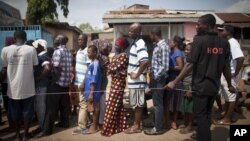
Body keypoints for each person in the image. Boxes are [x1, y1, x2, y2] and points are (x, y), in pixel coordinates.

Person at [165, 14, 235, 141]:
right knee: (207, 115)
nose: (197, 27)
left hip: (201, 87)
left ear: (207, 25)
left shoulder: (199, 41)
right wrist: (230, 84)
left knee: (202, 117)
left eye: (199, 24)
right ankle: (203, 135)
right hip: (214, 87)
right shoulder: (224, 43)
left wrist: (174, 82)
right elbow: (226, 67)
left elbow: (190, 64)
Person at [1, 30, 38, 141]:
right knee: (27, 113)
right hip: (28, 88)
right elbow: (35, 65)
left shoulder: (5, 50)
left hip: (13, 89)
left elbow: (4, 68)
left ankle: (17, 136)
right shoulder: (31, 49)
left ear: (14, 37)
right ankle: (26, 135)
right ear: (25, 38)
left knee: (15, 114)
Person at [43, 35, 72, 136]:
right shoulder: (68, 52)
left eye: (56, 38)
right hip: (66, 83)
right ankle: (64, 123)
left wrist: (53, 81)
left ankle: (47, 130)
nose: (54, 39)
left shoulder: (57, 51)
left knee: (51, 107)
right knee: (64, 105)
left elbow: (57, 69)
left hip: (58, 83)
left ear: (60, 41)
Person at [215, 25, 244, 125]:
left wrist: (235, 73)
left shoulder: (232, 43)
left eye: (222, 31)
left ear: (228, 32)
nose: (220, 32)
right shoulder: (228, 42)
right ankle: (228, 115)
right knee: (227, 95)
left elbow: (240, 58)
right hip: (227, 72)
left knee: (231, 96)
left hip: (231, 73)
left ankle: (227, 118)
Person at [101, 37, 129, 136]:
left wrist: (109, 66)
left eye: (117, 44)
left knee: (111, 105)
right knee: (118, 105)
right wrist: (109, 67)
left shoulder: (124, 56)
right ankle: (121, 126)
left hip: (119, 83)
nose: (115, 46)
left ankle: (107, 130)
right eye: (115, 44)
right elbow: (111, 68)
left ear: (122, 46)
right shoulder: (116, 56)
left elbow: (113, 68)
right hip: (114, 82)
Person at [124, 23, 149, 134]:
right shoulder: (135, 43)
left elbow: (144, 61)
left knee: (138, 104)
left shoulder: (140, 43)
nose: (129, 33)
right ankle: (137, 124)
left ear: (138, 32)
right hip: (134, 81)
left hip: (137, 81)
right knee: (136, 104)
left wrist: (137, 74)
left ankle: (137, 126)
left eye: (132, 31)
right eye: (129, 30)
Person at [144, 27, 170, 135]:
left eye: (150, 35)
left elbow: (165, 66)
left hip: (159, 79)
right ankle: (156, 123)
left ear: (154, 34)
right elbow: (157, 63)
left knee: (158, 104)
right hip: (155, 78)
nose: (150, 37)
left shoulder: (163, 46)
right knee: (155, 103)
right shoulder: (156, 46)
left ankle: (158, 128)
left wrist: (155, 76)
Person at [32, 39, 53, 138]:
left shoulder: (42, 56)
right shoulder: (45, 55)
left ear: (41, 46)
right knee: (42, 108)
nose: (35, 48)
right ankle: (42, 127)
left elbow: (47, 68)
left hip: (42, 85)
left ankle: (44, 129)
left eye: (36, 46)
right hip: (44, 85)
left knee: (41, 108)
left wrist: (38, 78)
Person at [72, 34, 91, 135]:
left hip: (83, 82)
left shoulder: (87, 52)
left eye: (82, 40)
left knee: (83, 104)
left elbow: (89, 69)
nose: (80, 41)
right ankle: (87, 122)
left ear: (86, 40)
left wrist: (83, 82)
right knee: (82, 103)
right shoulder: (79, 51)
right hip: (78, 82)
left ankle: (82, 127)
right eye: (78, 40)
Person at [81, 45, 102, 134]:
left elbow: (94, 79)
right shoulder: (91, 63)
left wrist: (91, 93)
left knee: (96, 108)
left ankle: (95, 127)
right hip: (89, 90)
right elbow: (88, 76)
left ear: (94, 53)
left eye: (89, 52)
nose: (88, 54)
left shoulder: (96, 64)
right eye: (87, 52)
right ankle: (93, 124)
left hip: (94, 91)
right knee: (91, 108)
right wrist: (83, 83)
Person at [166, 35, 185, 130]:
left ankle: (174, 121)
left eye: (171, 42)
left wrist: (169, 68)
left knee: (175, 103)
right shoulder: (173, 52)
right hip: (172, 79)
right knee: (171, 102)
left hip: (176, 80)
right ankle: (171, 121)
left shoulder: (177, 53)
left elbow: (181, 67)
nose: (169, 43)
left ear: (175, 43)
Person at [179, 42, 194, 134]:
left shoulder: (193, 61)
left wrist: (190, 89)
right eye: (185, 49)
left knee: (190, 108)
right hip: (184, 85)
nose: (186, 51)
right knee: (185, 107)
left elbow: (195, 76)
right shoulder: (186, 59)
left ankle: (190, 126)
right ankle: (186, 123)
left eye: (188, 50)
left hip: (189, 85)